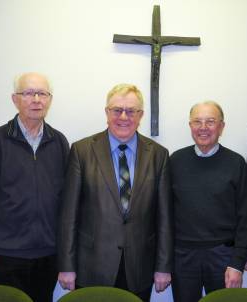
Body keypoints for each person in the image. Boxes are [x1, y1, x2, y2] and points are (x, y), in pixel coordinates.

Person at [57, 83, 173, 302]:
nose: (123, 116)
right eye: (116, 110)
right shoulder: (82, 151)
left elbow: (165, 218)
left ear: (141, 115)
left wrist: (163, 267)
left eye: (131, 111)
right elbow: (68, 215)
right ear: (106, 112)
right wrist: (66, 265)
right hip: (92, 264)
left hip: (139, 266)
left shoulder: (158, 155)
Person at [0, 72, 70, 302]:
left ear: (50, 100)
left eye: (42, 93)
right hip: (7, 255)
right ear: (15, 99)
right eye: (29, 93)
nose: (36, 99)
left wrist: (66, 255)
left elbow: (68, 202)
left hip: (49, 254)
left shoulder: (59, 142)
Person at [170, 101, 247, 302]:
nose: (203, 128)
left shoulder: (236, 163)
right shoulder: (175, 161)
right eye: (197, 121)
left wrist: (237, 262)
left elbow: (246, 216)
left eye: (210, 122)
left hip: (223, 256)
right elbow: (164, 214)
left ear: (221, 127)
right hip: (183, 257)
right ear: (190, 126)